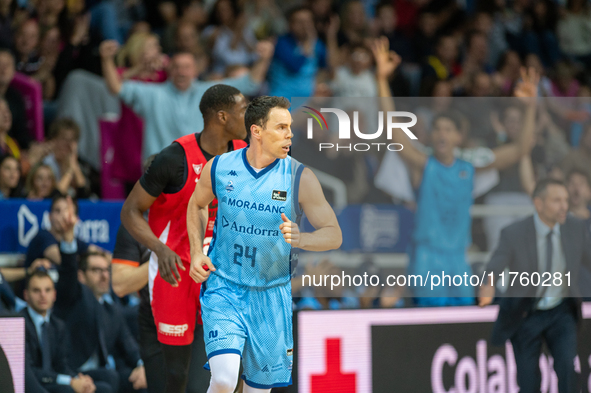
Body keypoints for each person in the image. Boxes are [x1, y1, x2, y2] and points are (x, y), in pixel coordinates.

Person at [186, 95, 342, 392]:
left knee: (257, 390)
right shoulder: (220, 167)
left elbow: (334, 233)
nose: (290, 134)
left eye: (290, 127)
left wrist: (303, 238)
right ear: (256, 131)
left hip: (271, 296)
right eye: (281, 127)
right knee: (223, 378)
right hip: (225, 287)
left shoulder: (300, 177)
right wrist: (196, 252)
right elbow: (196, 205)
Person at [373, 36, 538, 306]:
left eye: (448, 129)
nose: (442, 133)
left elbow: (519, 149)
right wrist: (381, 80)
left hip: (458, 258)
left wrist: (531, 108)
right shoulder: (423, 163)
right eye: (437, 128)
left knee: (461, 320)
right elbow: (392, 129)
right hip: (426, 256)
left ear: (458, 137)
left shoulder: (469, 166)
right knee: (432, 323)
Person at [120, 84, 249, 393]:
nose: (248, 115)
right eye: (242, 110)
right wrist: (158, 248)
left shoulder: (246, 153)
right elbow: (130, 212)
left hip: (221, 274)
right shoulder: (173, 158)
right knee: (176, 376)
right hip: (175, 272)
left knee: (232, 371)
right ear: (222, 117)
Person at [479, 179, 591, 392]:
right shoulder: (514, 233)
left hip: (562, 312)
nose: (564, 206)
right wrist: (488, 285)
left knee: (567, 367)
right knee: (529, 382)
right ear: (538, 204)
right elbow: (494, 266)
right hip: (525, 313)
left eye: (565, 200)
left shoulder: (575, 229)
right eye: (557, 200)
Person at [100, 38, 274, 160]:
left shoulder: (209, 91)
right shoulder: (152, 93)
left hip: (199, 170)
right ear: (169, 71)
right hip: (160, 171)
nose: (182, 72)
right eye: (177, 67)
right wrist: (106, 59)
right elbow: (116, 87)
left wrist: (264, 59)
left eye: (187, 67)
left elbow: (250, 83)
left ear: (195, 71)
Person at [22, 269, 106, 393]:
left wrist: (79, 379)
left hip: (55, 380)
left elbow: (62, 365)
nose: (43, 295)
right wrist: (70, 381)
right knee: (67, 390)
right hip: (32, 384)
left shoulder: (58, 325)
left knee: (104, 386)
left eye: (47, 290)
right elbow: (28, 371)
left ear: (54, 295)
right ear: (26, 295)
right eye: (36, 290)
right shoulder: (20, 324)